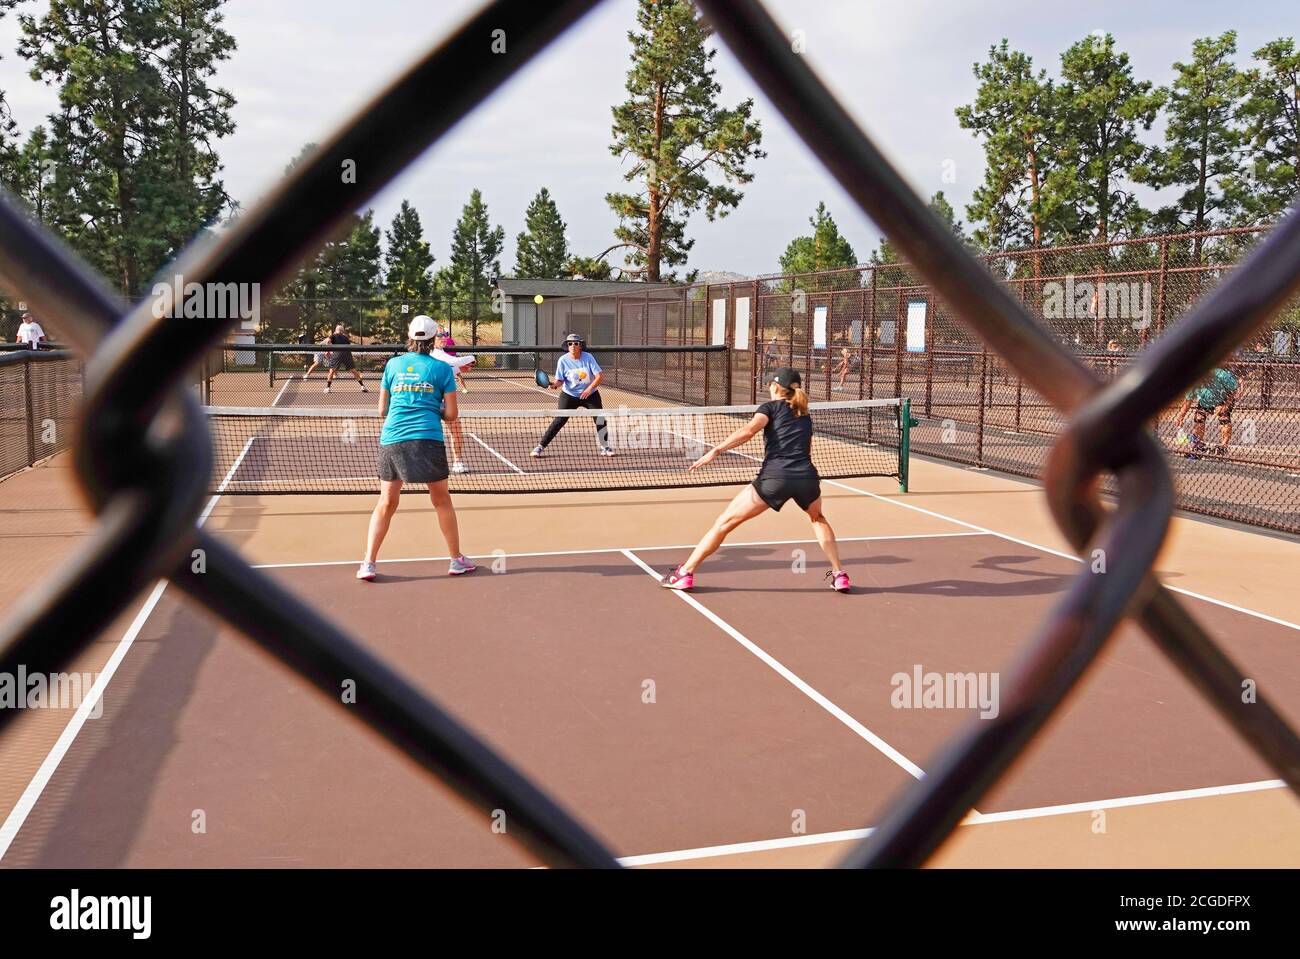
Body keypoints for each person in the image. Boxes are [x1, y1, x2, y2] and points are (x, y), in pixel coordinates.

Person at [661, 367, 851, 593]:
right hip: (807, 477)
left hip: (775, 478)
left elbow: (749, 430)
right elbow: (807, 450)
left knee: (724, 523)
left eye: (769, 384)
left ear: (774, 387)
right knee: (817, 518)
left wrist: (716, 450)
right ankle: (839, 575)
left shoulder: (768, 408)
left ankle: (684, 573)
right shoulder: (804, 414)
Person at [357, 315, 476, 581]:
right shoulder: (442, 369)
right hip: (427, 439)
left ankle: (368, 563)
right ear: (434, 339)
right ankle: (456, 560)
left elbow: (381, 411)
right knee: (441, 500)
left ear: (409, 337)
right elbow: (452, 415)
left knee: (386, 502)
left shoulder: (393, 365)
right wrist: (434, 406)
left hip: (393, 439)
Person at [530, 333, 614, 458]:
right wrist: (554, 384)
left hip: (590, 394)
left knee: (600, 418)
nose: (573, 346)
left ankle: (605, 446)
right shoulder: (563, 360)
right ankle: (540, 447)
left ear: (580, 346)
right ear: (567, 346)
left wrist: (589, 389)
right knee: (559, 420)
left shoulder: (588, 357)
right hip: (569, 395)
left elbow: (599, 376)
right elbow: (560, 380)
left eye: (576, 343)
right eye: (570, 344)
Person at [1171, 367, 1239, 459]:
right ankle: (1198, 444)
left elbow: (1234, 389)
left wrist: (1226, 405)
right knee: (1199, 418)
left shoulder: (1221, 375)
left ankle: (1223, 446)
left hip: (1224, 399)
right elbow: (1188, 400)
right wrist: (1181, 416)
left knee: (1224, 418)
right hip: (1206, 401)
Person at [323, 324, 368, 394]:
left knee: (331, 371)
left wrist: (328, 351)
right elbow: (348, 346)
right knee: (353, 370)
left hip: (337, 353)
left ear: (336, 330)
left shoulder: (333, 335)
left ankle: (328, 387)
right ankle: (362, 386)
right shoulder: (346, 337)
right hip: (347, 353)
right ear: (342, 331)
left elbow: (328, 341)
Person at [434, 328, 470, 395]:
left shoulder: (447, 341)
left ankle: (463, 388)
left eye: (443, 334)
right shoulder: (438, 348)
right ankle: (463, 387)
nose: (442, 337)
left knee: (456, 373)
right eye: (440, 335)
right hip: (448, 360)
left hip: (451, 359)